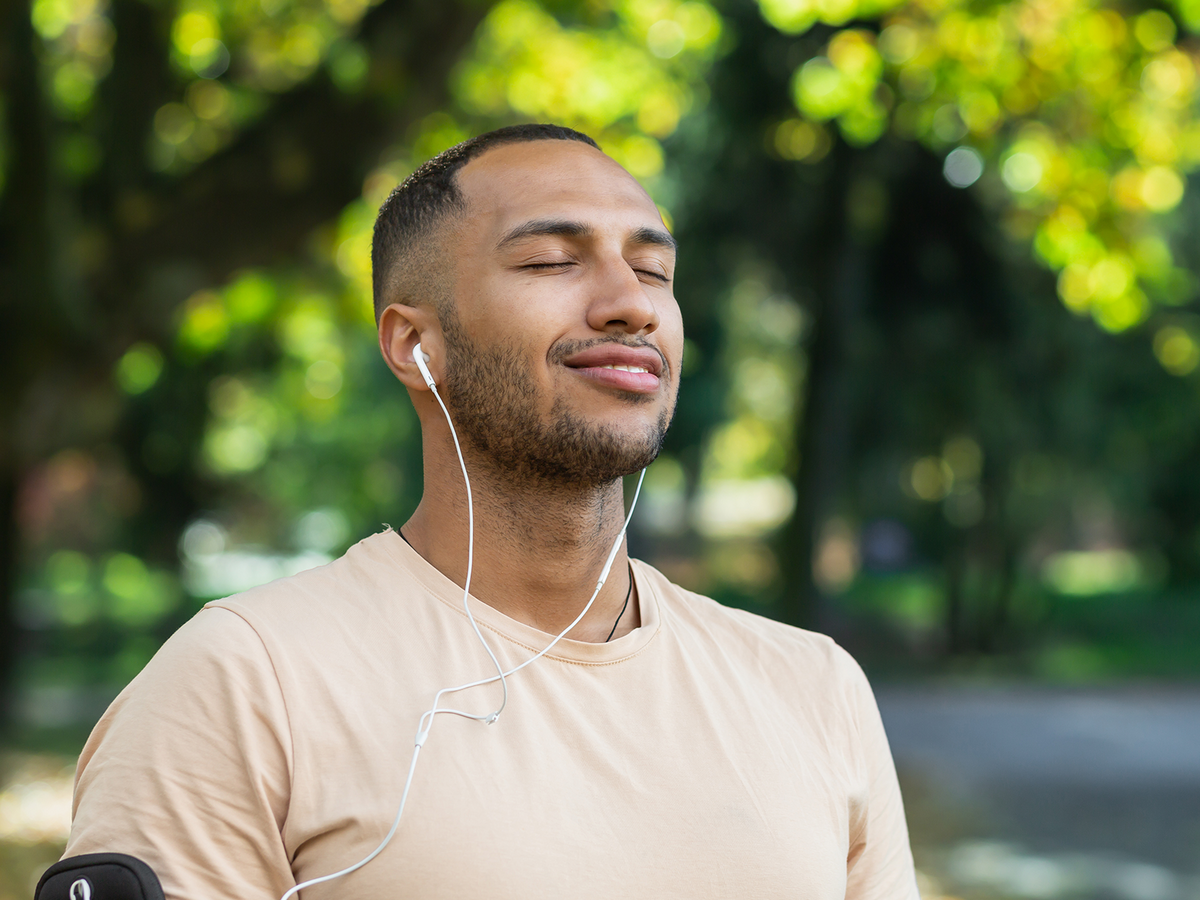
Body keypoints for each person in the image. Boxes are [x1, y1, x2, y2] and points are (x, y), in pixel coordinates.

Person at [62, 124, 919, 899]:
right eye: (552, 260)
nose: (633, 303)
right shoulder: (245, 682)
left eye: (654, 270)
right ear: (414, 344)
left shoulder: (815, 688)